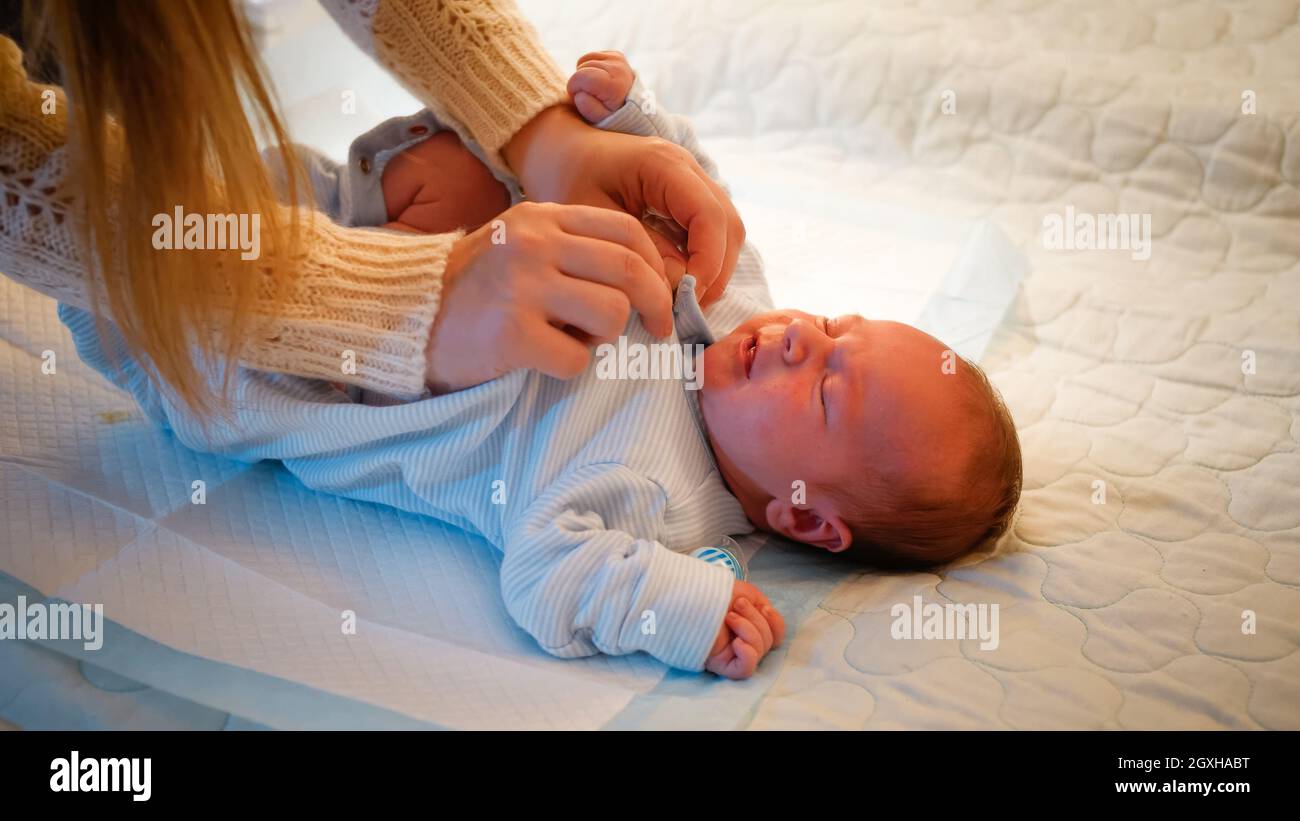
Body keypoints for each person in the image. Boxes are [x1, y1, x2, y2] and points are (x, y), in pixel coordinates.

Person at [0, 0, 744, 419]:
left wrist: (543, 132)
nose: (807, 340)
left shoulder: (676, 498)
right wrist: (622, 118)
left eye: (834, 393)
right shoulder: (739, 308)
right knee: (458, 181)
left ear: (809, 522)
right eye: (839, 329)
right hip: (169, 248)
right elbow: (677, 150)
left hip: (184, 297)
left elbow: (558, 562)